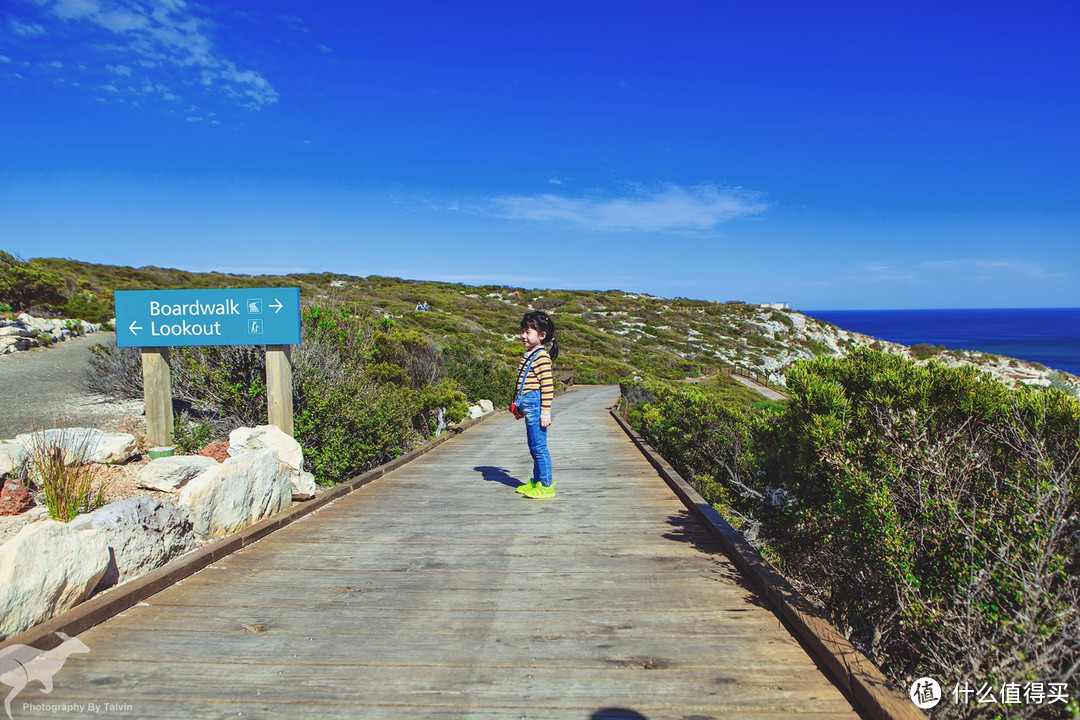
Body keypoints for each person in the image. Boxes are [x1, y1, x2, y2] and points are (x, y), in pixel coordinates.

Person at [512, 310, 560, 498]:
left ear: (542, 336)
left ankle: (547, 485)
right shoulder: (530, 353)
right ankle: (537, 480)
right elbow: (523, 382)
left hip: (536, 406)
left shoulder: (541, 356)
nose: (523, 335)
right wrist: (518, 406)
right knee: (534, 446)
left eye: (528, 332)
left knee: (539, 447)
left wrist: (545, 412)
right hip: (528, 405)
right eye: (522, 331)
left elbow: (547, 387)